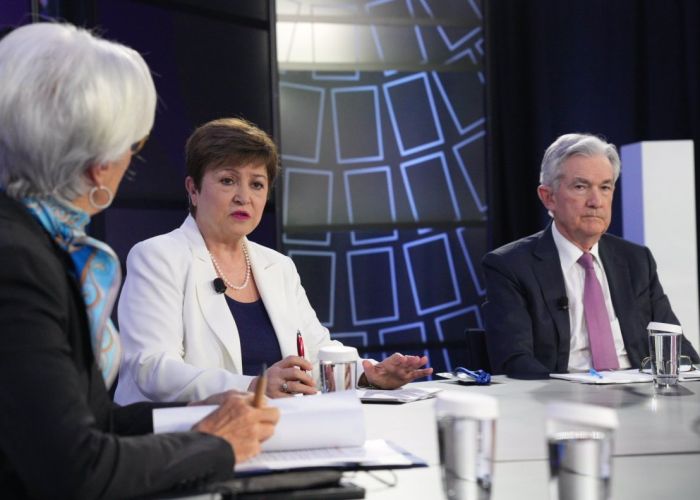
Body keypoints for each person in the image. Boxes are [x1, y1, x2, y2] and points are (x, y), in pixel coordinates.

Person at [0, 23, 278, 498]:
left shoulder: (36, 243)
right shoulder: (18, 261)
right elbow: (78, 468)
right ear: (98, 165)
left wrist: (202, 414)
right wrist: (215, 441)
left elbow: (96, 420)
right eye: (135, 146)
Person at [114, 117, 432, 403]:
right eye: (227, 180)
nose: (244, 196)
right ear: (193, 189)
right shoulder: (157, 257)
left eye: (257, 184)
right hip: (181, 439)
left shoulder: (277, 266)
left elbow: (317, 350)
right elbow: (152, 370)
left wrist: (367, 374)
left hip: (272, 428)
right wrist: (253, 387)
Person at [482, 133, 699, 377]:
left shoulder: (636, 261)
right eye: (581, 186)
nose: (596, 201)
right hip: (560, 402)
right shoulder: (511, 266)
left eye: (605, 187)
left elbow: (680, 352)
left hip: (641, 397)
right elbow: (514, 361)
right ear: (548, 197)